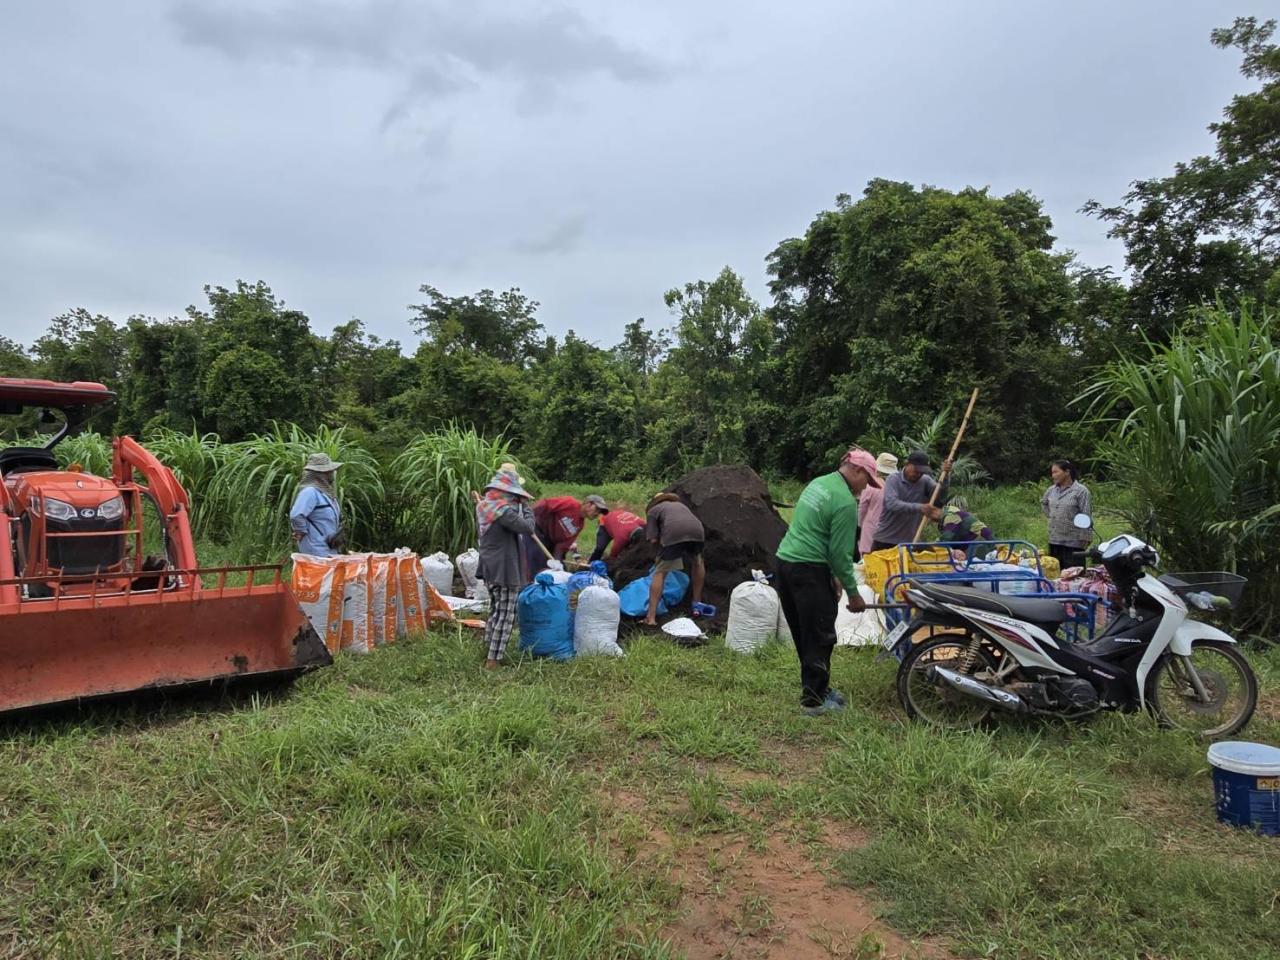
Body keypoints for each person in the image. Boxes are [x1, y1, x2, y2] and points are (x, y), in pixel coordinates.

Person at [775, 449, 880, 716]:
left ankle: (818, 689)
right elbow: (840, 554)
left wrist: (831, 577)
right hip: (808, 570)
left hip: (785, 563)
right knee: (820, 634)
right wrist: (854, 594)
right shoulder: (845, 502)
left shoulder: (819, 483)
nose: (865, 488)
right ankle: (813, 701)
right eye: (867, 480)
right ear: (857, 471)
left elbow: (818, 534)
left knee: (804, 631)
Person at [475, 465, 536, 670]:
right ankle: (493, 660)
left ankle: (489, 648)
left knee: (495, 610)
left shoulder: (485, 505)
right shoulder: (503, 511)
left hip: (489, 564)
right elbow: (527, 528)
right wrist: (526, 507)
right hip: (504, 566)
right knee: (506, 613)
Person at [642, 492, 706, 626]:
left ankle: (650, 617)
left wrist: (658, 556)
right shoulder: (680, 505)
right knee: (698, 562)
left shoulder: (653, 511)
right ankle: (697, 604)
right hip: (698, 530)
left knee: (660, 572)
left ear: (655, 503)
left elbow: (653, 539)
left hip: (674, 532)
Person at [872, 450, 952, 550]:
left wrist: (946, 476)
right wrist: (920, 507)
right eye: (916, 470)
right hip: (885, 540)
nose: (918, 474)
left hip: (910, 542)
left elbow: (940, 496)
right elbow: (892, 504)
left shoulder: (925, 480)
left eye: (922, 472)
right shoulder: (893, 479)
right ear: (907, 464)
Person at [289, 453, 343, 557]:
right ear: (321, 474)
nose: (332, 473)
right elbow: (296, 515)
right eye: (329, 471)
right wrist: (301, 531)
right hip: (316, 547)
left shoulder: (326, 494)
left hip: (329, 546)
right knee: (319, 573)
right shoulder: (310, 492)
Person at [1043, 459, 1092, 564]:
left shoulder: (1081, 491)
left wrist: (1086, 536)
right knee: (1056, 573)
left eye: (1056, 472)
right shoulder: (1051, 490)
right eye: (1052, 473)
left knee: (1074, 575)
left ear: (1067, 472)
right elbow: (1044, 503)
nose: (1053, 475)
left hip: (1074, 541)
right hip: (1055, 539)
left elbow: (1086, 514)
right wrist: (1052, 515)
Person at [524, 494, 586, 579]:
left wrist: (556, 560)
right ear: (589, 504)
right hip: (536, 529)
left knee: (551, 566)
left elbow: (562, 545)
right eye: (596, 509)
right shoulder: (570, 503)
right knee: (535, 559)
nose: (597, 514)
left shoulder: (580, 525)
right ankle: (529, 585)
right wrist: (529, 516)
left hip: (550, 541)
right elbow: (545, 504)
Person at [857, 452, 898, 558]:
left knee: (868, 561)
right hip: (890, 531)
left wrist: (860, 525)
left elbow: (862, 508)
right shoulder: (897, 486)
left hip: (871, 529)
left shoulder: (870, 485)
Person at [586, 495, 645, 562]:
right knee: (600, 548)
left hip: (617, 521)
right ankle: (590, 565)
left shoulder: (642, 523)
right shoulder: (621, 538)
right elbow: (613, 556)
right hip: (605, 524)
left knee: (628, 551)